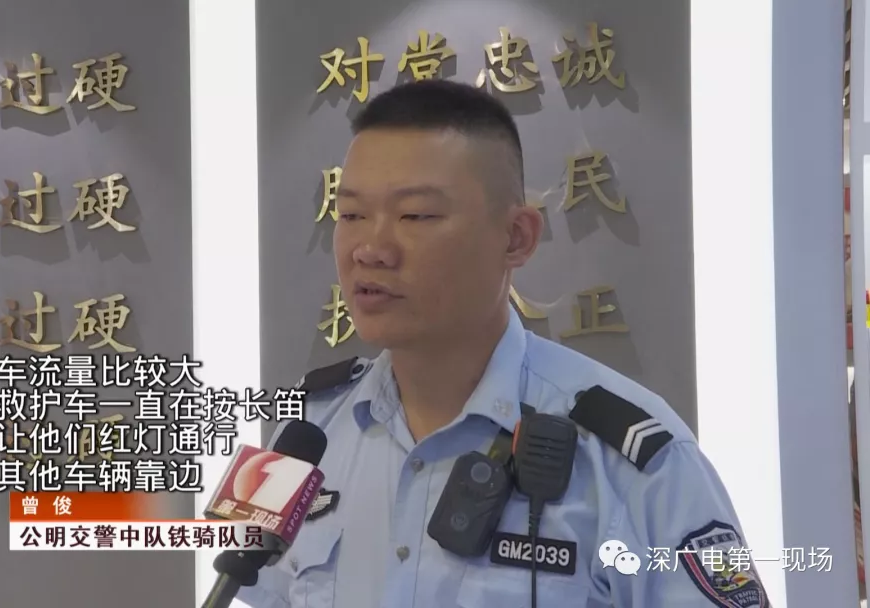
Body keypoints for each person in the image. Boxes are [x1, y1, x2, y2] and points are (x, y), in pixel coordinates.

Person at [237, 80, 767, 608]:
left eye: (415, 215)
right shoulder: (304, 431)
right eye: (351, 215)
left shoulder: (633, 460)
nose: (370, 249)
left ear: (516, 237)